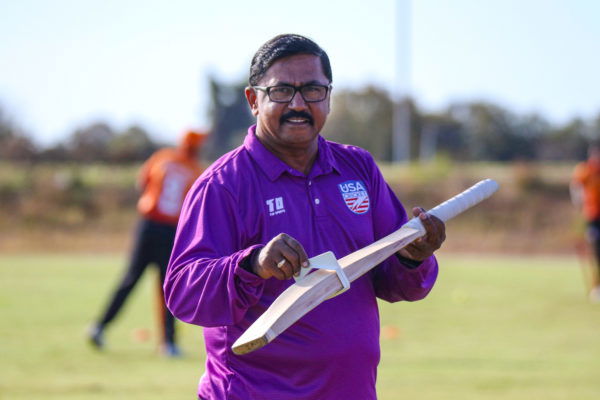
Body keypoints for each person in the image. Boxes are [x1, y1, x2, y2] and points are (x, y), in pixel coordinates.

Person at [164, 34, 445, 399]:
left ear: (328, 96)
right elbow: (184, 292)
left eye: (312, 90)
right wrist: (251, 264)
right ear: (253, 99)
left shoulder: (357, 168)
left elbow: (395, 281)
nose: (298, 104)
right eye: (281, 91)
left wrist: (413, 257)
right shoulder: (224, 184)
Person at [89, 129, 207, 356]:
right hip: (171, 230)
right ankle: (169, 343)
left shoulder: (162, 157)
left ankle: (99, 327)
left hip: (148, 224)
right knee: (168, 286)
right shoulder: (195, 170)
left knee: (130, 279)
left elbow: (142, 183)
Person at [571, 141, 600, 302]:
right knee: (596, 251)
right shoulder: (585, 171)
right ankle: (597, 286)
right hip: (593, 216)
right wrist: (578, 201)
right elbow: (576, 186)